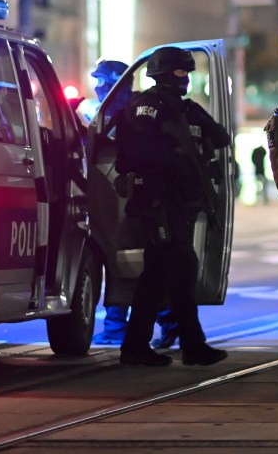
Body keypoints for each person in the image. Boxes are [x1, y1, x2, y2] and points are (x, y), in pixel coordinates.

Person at [115, 46, 231, 367]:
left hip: (181, 203)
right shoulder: (147, 107)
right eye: (181, 72)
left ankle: (140, 345)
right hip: (157, 201)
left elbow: (220, 137)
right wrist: (174, 156)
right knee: (178, 268)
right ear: (163, 73)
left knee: (164, 272)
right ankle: (187, 345)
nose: (186, 78)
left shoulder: (186, 109)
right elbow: (137, 153)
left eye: (188, 72)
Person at [85, 59, 178, 348]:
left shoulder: (131, 112)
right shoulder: (111, 113)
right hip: (116, 199)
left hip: (137, 198)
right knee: (122, 261)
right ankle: (129, 325)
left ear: (117, 82)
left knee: (134, 262)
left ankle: (155, 322)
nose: (98, 87)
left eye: (102, 80)